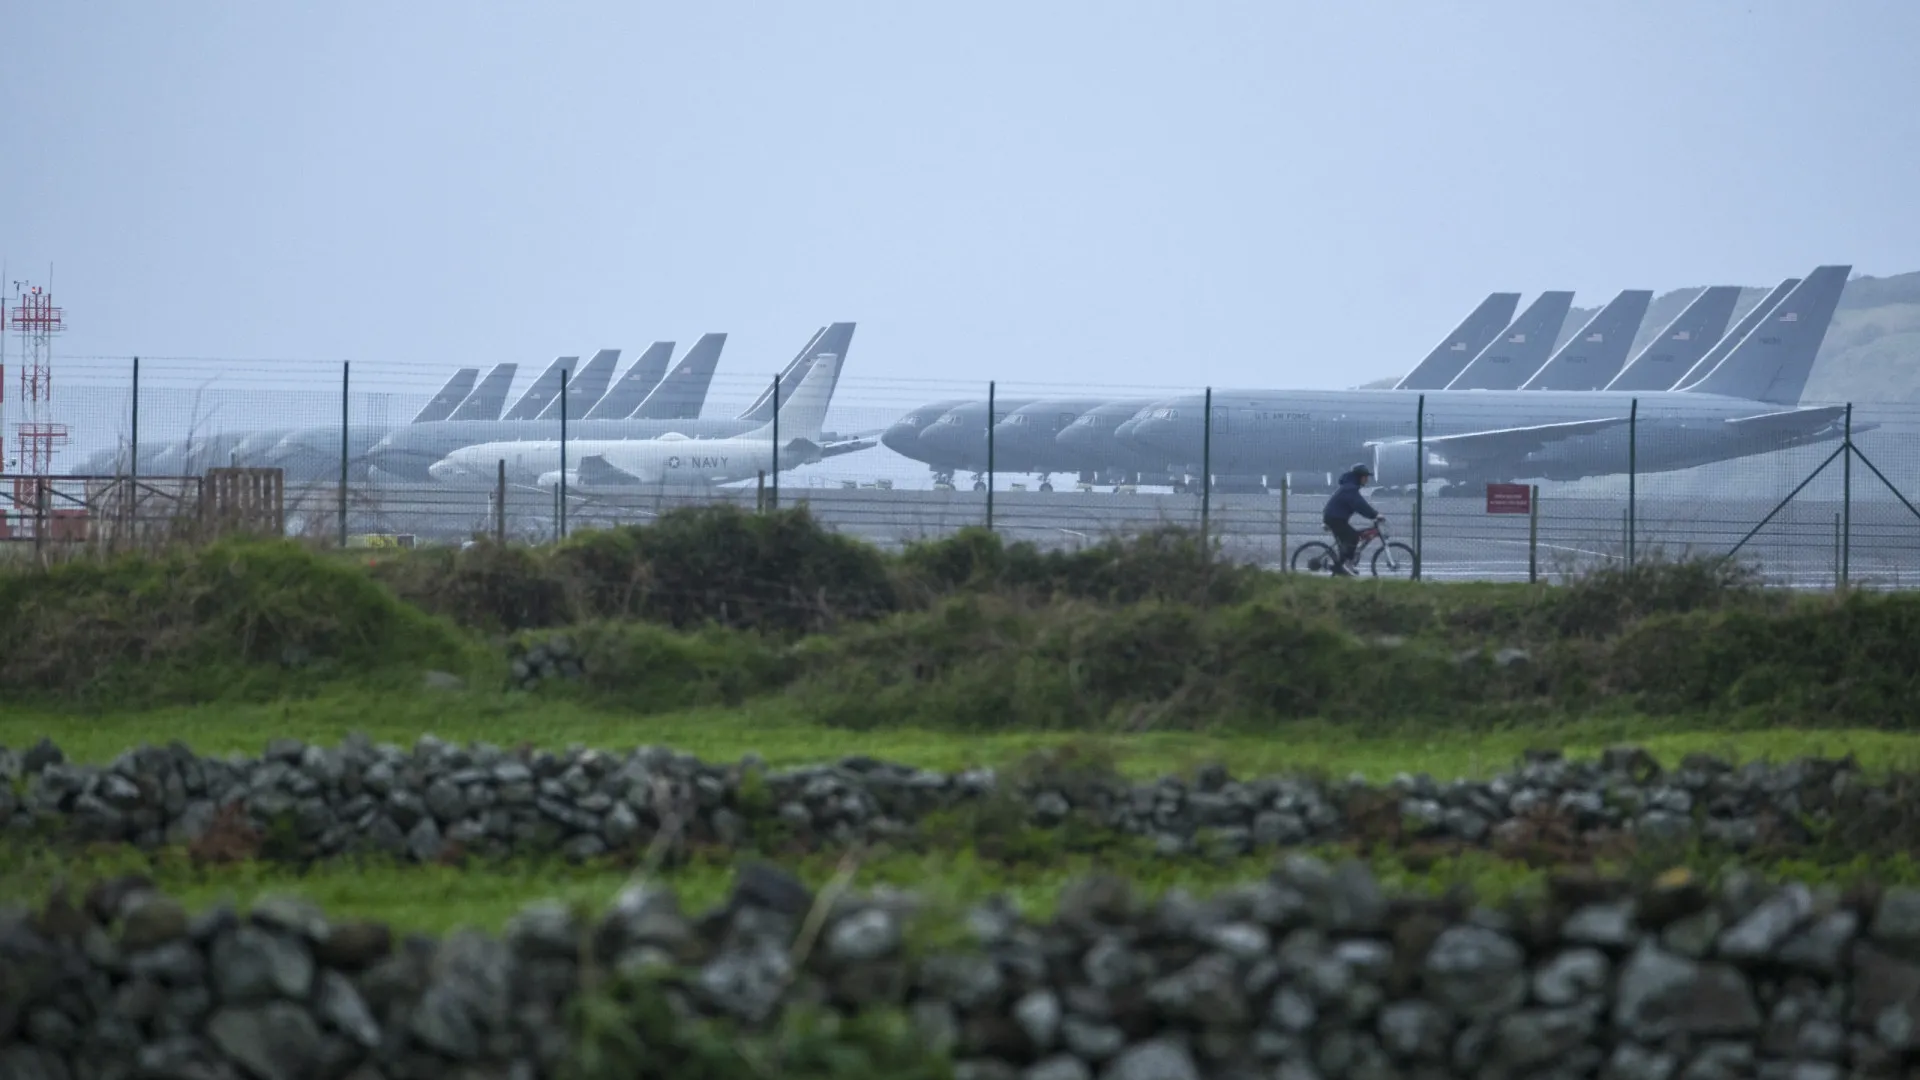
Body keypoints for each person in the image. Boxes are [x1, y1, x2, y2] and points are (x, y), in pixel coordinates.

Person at [1321, 462, 1383, 575]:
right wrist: (1375, 515)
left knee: (1347, 541)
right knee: (1353, 537)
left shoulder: (1350, 487)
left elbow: (1360, 505)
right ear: (1358, 477)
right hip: (1334, 518)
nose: (1367, 480)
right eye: (1365, 477)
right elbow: (1359, 505)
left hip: (1335, 517)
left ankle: (1340, 566)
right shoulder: (1350, 489)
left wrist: (1372, 514)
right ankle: (1347, 564)